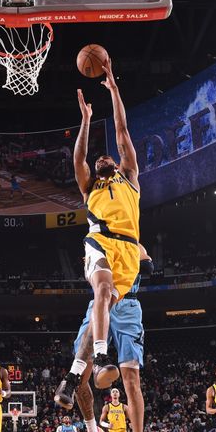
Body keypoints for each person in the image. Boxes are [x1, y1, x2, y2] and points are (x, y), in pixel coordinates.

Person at [65, 58, 142, 395]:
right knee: (102, 291)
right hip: (99, 242)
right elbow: (78, 159)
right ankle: (99, 356)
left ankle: (74, 373)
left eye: (106, 157)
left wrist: (114, 90)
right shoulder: (89, 188)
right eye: (98, 161)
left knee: (107, 302)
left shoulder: (130, 178)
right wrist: (85, 121)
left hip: (129, 250)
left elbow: (122, 131)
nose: (102, 159)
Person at [55, 243, 153, 432]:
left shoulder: (131, 240)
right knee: (79, 378)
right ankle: (92, 431)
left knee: (131, 381)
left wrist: (129, 252)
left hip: (127, 305)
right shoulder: (95, 241)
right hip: (99, 304)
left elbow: (148, 266)